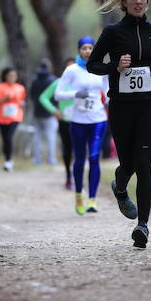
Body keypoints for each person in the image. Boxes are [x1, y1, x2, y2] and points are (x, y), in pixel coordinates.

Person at [87, 0, 151, 249]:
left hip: (149, 105)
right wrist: (115, 65)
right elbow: (92, 65)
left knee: (144, 163)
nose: (138, 2)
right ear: (124, 2)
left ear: (148, 1)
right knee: (128, 164)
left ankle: (143, 226)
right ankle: (120, 187)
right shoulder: (113, 32)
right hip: (122, 107)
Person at [55, 37, 109, 215]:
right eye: (84, 48)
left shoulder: (101, 68)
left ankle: (92, 200)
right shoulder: (72, 70)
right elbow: (58, 94)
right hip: (78, 121)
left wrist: (112, 102)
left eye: (91, 48)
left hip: (98, 119)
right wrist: (75, 94)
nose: (87, 51)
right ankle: (79, 194)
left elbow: (108, 92)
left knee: (94, 157)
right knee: (79, 160)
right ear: (79, 50)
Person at [39, 58, 76, 189]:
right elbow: (43, 97)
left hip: (83, 120)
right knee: (68, 149)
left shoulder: (84, 81)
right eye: (68, 68)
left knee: (80, 150)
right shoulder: (59, 83)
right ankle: (68, 177)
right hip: (65, 121)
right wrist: (54, 110)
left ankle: (79, 176)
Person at [0, 68, 26, 172]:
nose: (12, 78)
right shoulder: (0, 87)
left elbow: (22, 101)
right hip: (2, 118)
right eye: (10, 75)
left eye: (14, 76)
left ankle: (8, 161)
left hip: (16, 117)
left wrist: (22, 103)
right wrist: (3, 99)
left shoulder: (20, 88)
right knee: (5, 139)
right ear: (5, 76)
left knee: (9, 136)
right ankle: (7, 160)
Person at [29, 59, 58, 166]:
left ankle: (37, 160)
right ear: (49, 67)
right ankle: (51, 159)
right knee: (51, 137)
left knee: (37, 137)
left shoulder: (34, 80)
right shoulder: (53, 80)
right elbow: (56, 97)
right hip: (50, 112)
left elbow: (32, 95)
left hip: (37, 112)